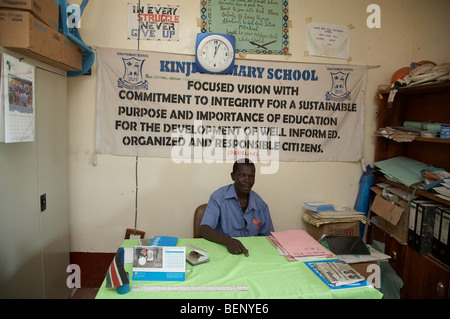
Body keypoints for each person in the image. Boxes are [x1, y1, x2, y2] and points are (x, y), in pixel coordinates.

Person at [200, 158, 274, 256]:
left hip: (251, 254)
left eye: (251, 176)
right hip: (223, 251)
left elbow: (268, 237)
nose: (247, 180)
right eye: (242, 175)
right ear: (233, 176)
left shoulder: (261, 205)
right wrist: (228, 241)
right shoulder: (218, 197)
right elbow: (204, 229)